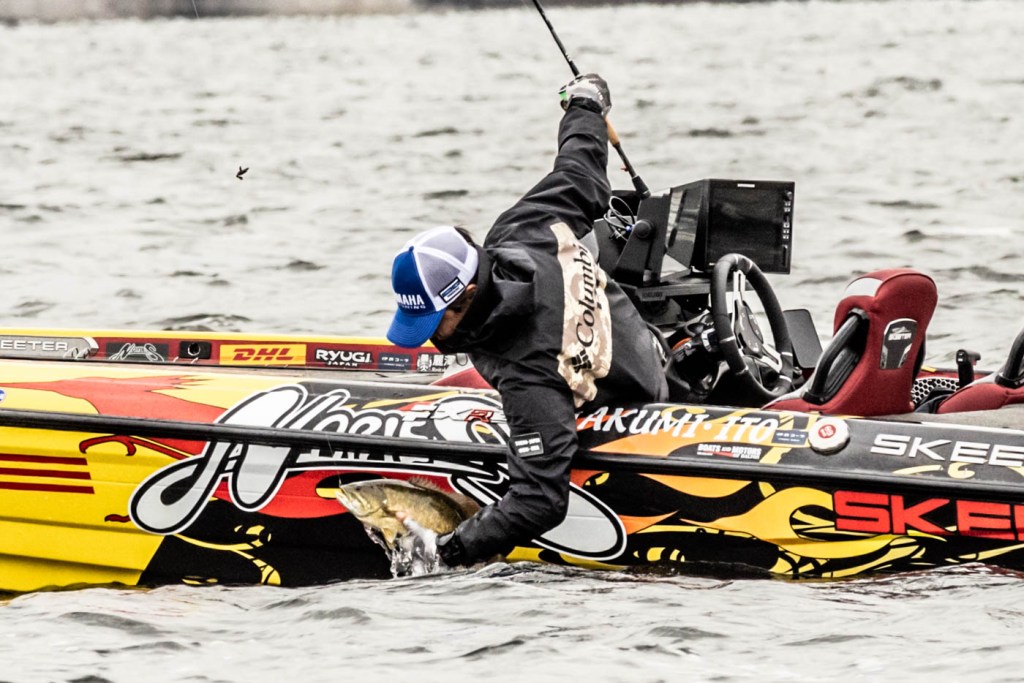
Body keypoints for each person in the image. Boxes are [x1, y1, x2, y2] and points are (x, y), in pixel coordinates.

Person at [385, 74, 668, 569]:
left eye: (431, 323)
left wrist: (446, 552)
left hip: (641, 405)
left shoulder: (526, 370)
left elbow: (540, 500)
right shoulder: (521, 231)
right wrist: (585, 104)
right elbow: (581, 169)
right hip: (647, 345)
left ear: (466, 296)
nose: (429, 339)